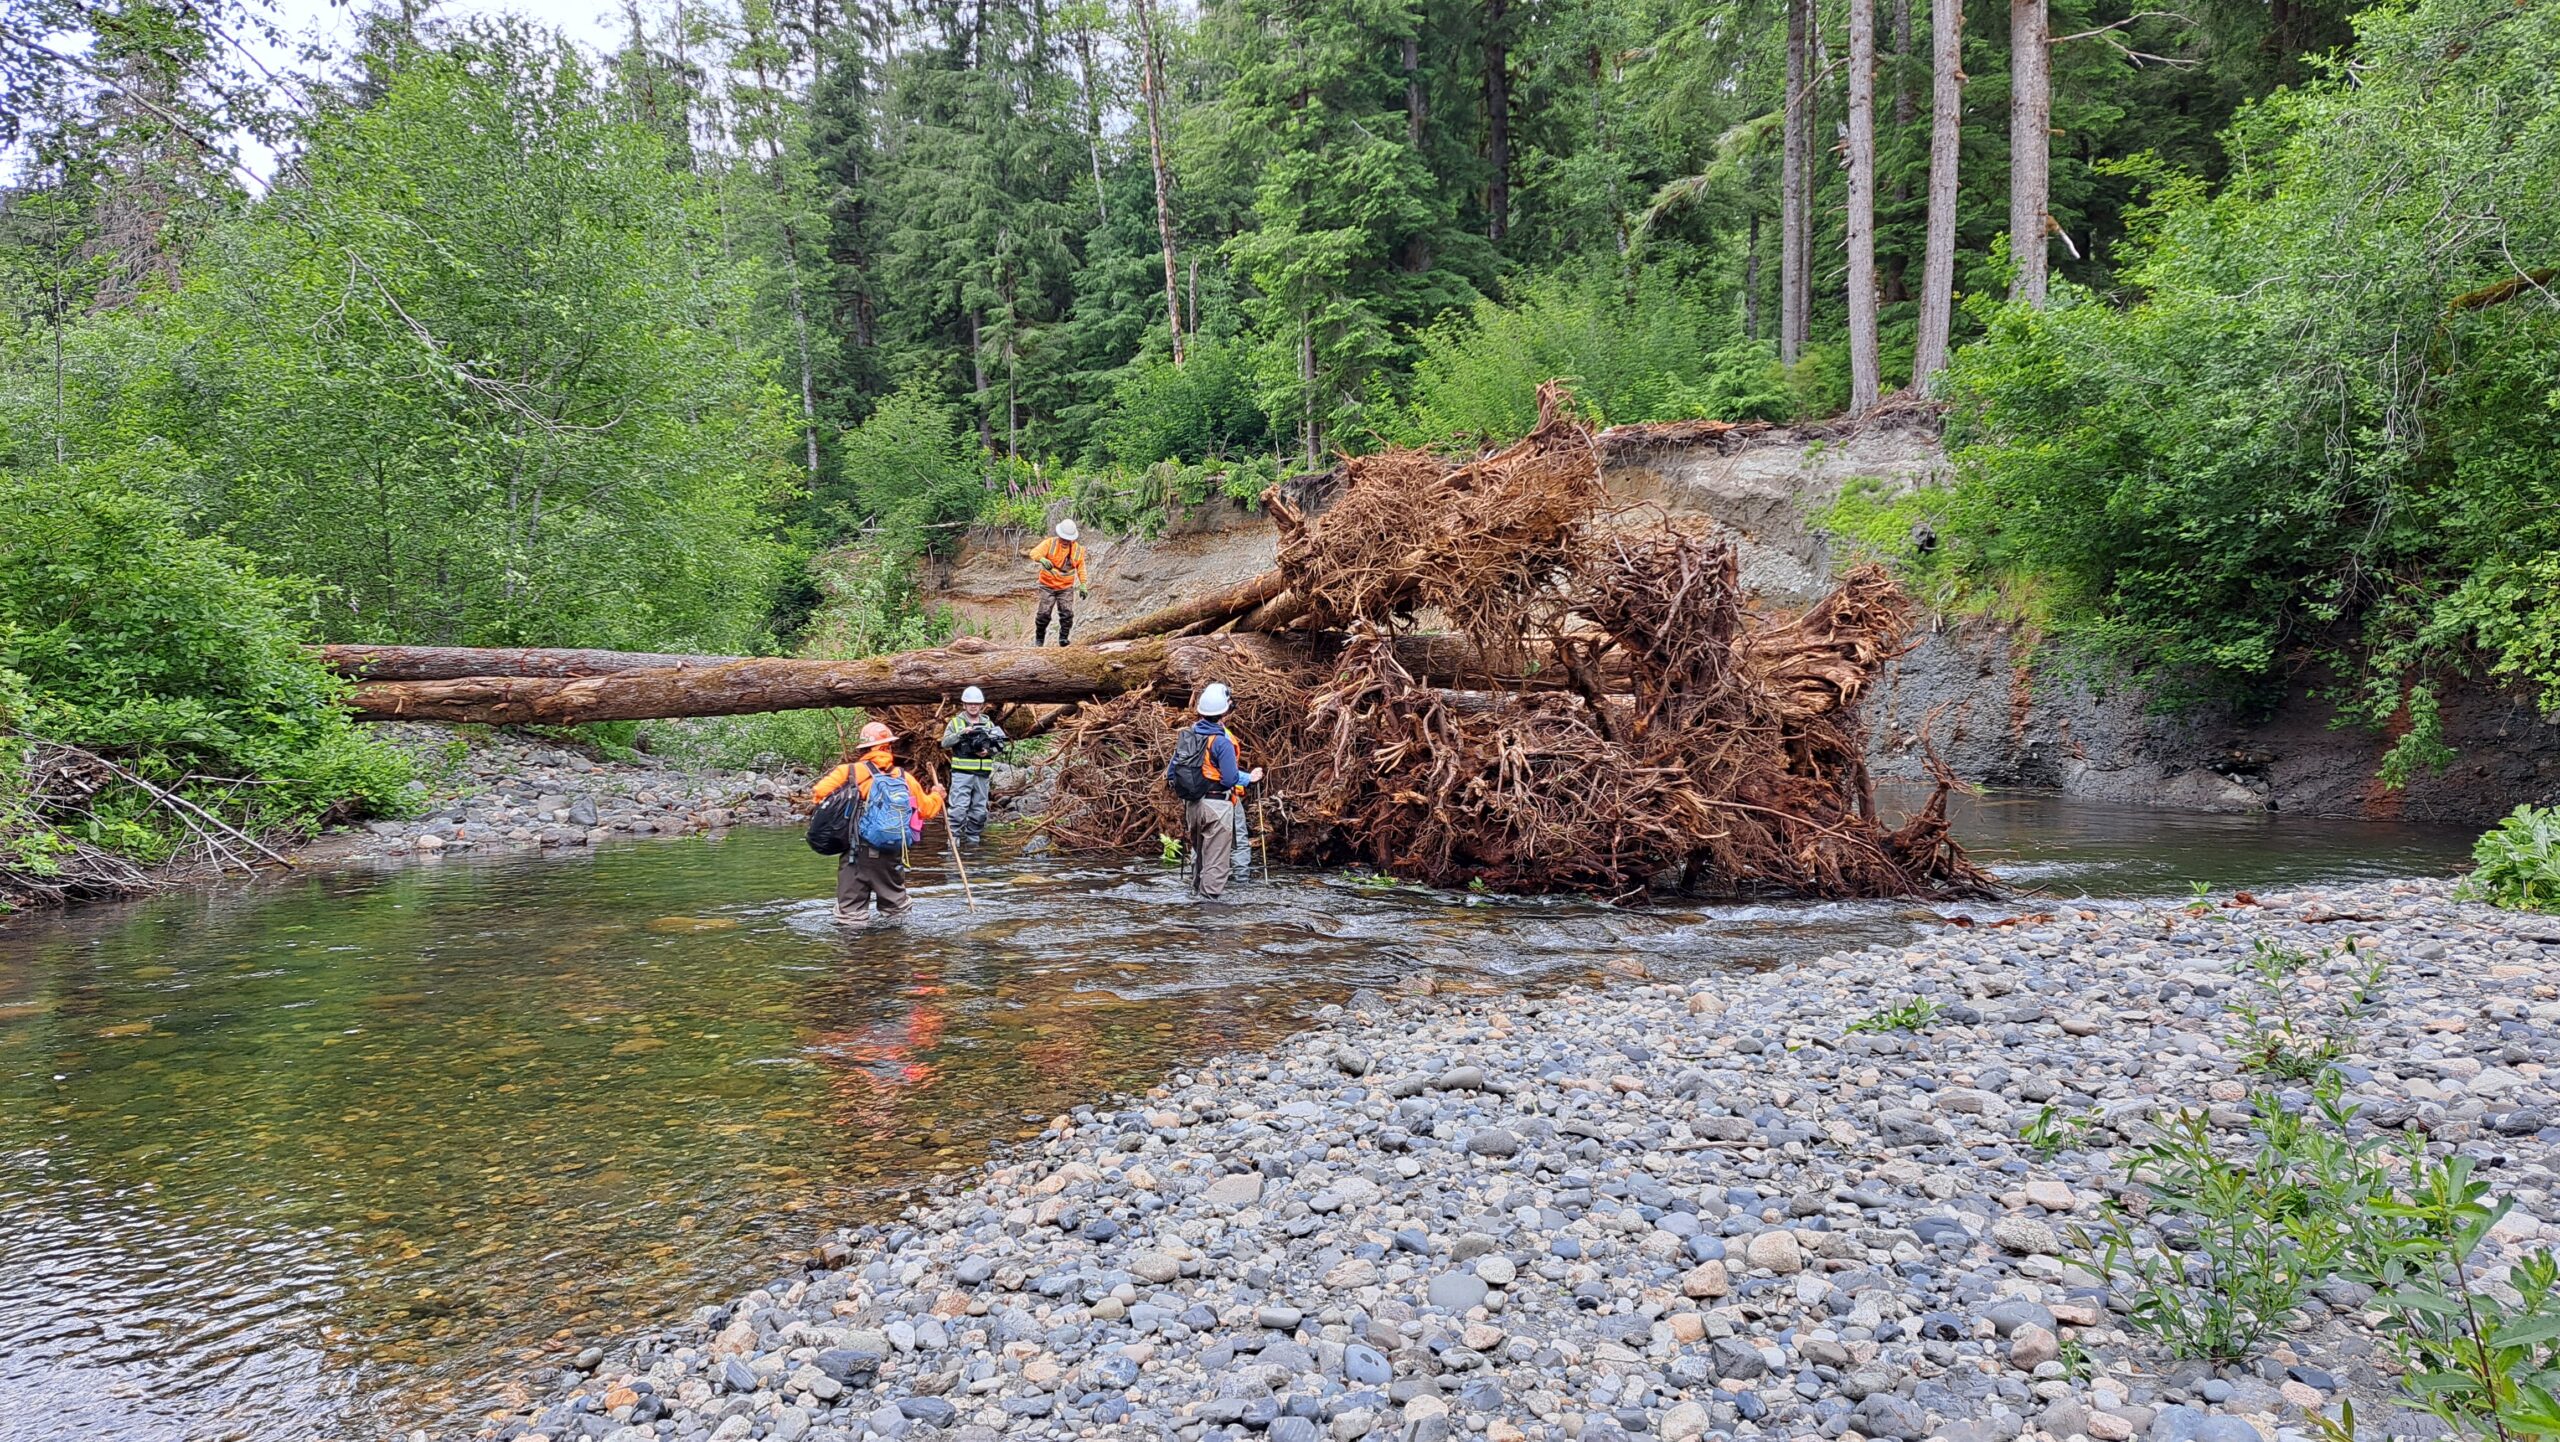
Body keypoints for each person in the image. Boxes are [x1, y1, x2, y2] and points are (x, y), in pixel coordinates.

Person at [813, 721, 946, 927]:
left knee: (850, 917)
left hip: (856, 853)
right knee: (898, 913)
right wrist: (937, 796)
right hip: (892, 852)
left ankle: (856, 956)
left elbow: (819, 794)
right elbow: (927, 810)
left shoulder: (848, 772)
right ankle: (895, 952)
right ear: (888, 747)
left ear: (864, 748)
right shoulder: (904, 777)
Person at [1166, 682, 1262, 899]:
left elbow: (1171, 774)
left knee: (1200, 858)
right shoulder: (1222, 742)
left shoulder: (1188, 736)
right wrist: (1249, 778)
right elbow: (1230, 779)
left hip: (1192, 806)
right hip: (1218, 806)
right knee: (1216, 863)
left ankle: (1195, 905)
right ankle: (1210, 914)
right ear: (1225, 711)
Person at [940, 686, 1007, 846]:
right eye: (970, 703)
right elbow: (944, 743)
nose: (973, 706)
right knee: (958, 809)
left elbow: (999, 746)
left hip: (982, 774)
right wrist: (962, 734)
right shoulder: (956, 723)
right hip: (962, 773)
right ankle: (953, 838)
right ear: (964, 704)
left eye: (976, 703)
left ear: (981, 705)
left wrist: (988, 751)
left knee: (979, 811)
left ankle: (973, 841)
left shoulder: (988, 724)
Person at [1025, 518, 1088, 647]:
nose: (1065, 541)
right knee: (1044, 613)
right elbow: (1033, 553)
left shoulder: (1078, 550)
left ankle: (1063, 639)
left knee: (1067, 613)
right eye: (1063, 538)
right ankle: (1039, 639)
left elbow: (1081, 567)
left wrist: (1083, 584)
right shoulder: (1050, 543)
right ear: (1059, 535)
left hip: (1065, 587)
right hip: (1047, 586)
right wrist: (1041, 559)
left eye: (1067, 539)